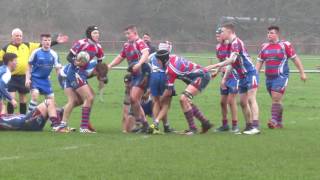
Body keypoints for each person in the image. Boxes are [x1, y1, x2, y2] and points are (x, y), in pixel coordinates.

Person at [207, 23, 260, 135]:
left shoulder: (236, 42)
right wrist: (225, 78)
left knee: (251, 99)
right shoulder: (231, 45)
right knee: (242, 102)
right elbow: (232, 64)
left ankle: (255, 127)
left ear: (229, 32)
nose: (221, 34)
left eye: (222, 32)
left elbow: (231, 60)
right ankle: (248, 127)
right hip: (242, 76)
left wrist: (214, 66)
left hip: (250, 73)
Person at [0, 28, 68, 115]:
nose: (19, 37)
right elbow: (1, 59)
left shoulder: (27, 45)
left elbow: (42, 45)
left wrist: (56, 42)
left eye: (20, 36)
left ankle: (23, 117)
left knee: (23, 98)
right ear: (12, 36)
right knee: (11, 97)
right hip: (11, 77)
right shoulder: (6, 48)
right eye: (17, 35)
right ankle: (10, 117)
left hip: (23, 76)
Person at [256, 26, 307, 129]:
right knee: (277, 100)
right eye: (268, 33)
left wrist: (302, 73)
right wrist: (254, 75)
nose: (269, 35)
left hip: (281, 76)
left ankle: (273, 121)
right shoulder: (264, 46)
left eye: (271, 33)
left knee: (275, 97)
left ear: (277, 34)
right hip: (269, 78)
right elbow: (259, 61)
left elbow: (295, 59)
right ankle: (279, 122)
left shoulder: (285, 45)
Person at [152, 50, 213, 135]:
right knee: (186, 101)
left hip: (201, 76)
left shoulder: (171, 69)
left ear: (163, 60)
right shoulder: (171, 58)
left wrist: (159, 102)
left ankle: (193, 129)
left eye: (158, 60)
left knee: (183, 99)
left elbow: (168, 92)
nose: (157, 62)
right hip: (197, 76)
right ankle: (205, 123)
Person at [108, 25, 151, 133]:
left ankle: (142, 123)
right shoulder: (126, 45)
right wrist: (110, 65)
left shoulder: (140, 42)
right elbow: (120, 57)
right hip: (134, 75)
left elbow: (146, 53)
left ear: (135, 33)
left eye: (128, 33)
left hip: (143, 73)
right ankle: (143, 123)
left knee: (133, 97)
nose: (127, 36)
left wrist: (139, 64)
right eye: (125, 34)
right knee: (134, 100)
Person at [62, 26, 105, 133]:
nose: (97, 35)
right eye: (95, 33)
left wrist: (101, 78)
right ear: (89, 34)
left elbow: (100, 65)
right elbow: (69, 57)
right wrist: (75, 62)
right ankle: (83, 127)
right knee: (89, 97)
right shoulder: (81, 43)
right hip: (74, 72)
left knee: (78, 100)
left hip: (81, 74)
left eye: (98, 33)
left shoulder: (98, 47)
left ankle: (61, 122)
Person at [25, 34, 62, 113]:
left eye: (49, 40)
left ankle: (54, 122)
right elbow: (28, 65)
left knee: (51, 100)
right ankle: (29, 117)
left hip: (45, 80)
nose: (47, 42)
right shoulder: (36, 52)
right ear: (41, 41)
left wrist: (62, 81)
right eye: (45, 40)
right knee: (35, 95)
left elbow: (58, 69)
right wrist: (27, 79)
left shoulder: (54, 54)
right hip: (35, 78)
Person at [214, 28, 240, 133]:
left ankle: (235, 125)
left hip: (234, 76)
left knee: (231, 100)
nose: (217, 38)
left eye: (219, 35)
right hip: (224, 76)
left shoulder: (232, 45)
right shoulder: (218, 47)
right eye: (216, 36)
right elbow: (220, 62)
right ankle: (225, 125)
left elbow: (234, 61)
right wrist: (217, 71)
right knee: (222, 102)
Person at [148, 42, 175, 134]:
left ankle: (162, 126)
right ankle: (156, 123)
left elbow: (147, 64)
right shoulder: (168, 56)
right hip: (165, 77)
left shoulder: (152, 55)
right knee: (166, 104)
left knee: (156, 102)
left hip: (153, 76)